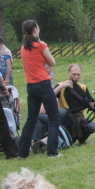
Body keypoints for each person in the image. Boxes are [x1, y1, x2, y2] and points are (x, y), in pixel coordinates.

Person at [17, 20, 61, 158]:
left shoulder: (23, 48)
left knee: (31, 119)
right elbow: (52, 61)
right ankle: (52, 152)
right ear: (35, 29)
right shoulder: (41, 45)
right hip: (43, 84)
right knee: (54, 119)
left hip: (31, 86)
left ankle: (22, 153)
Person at [54, 64, 95, 146]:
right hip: (64, 118)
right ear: (68, 74)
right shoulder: (61, 86)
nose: (76, 77)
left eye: (78, 74)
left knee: (92, 126)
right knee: (62, 112)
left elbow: (92, 106)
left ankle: (81, 139)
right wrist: (61, 86)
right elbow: (49, 97)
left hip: (78, 118)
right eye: (74, 74)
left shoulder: (83, 87)